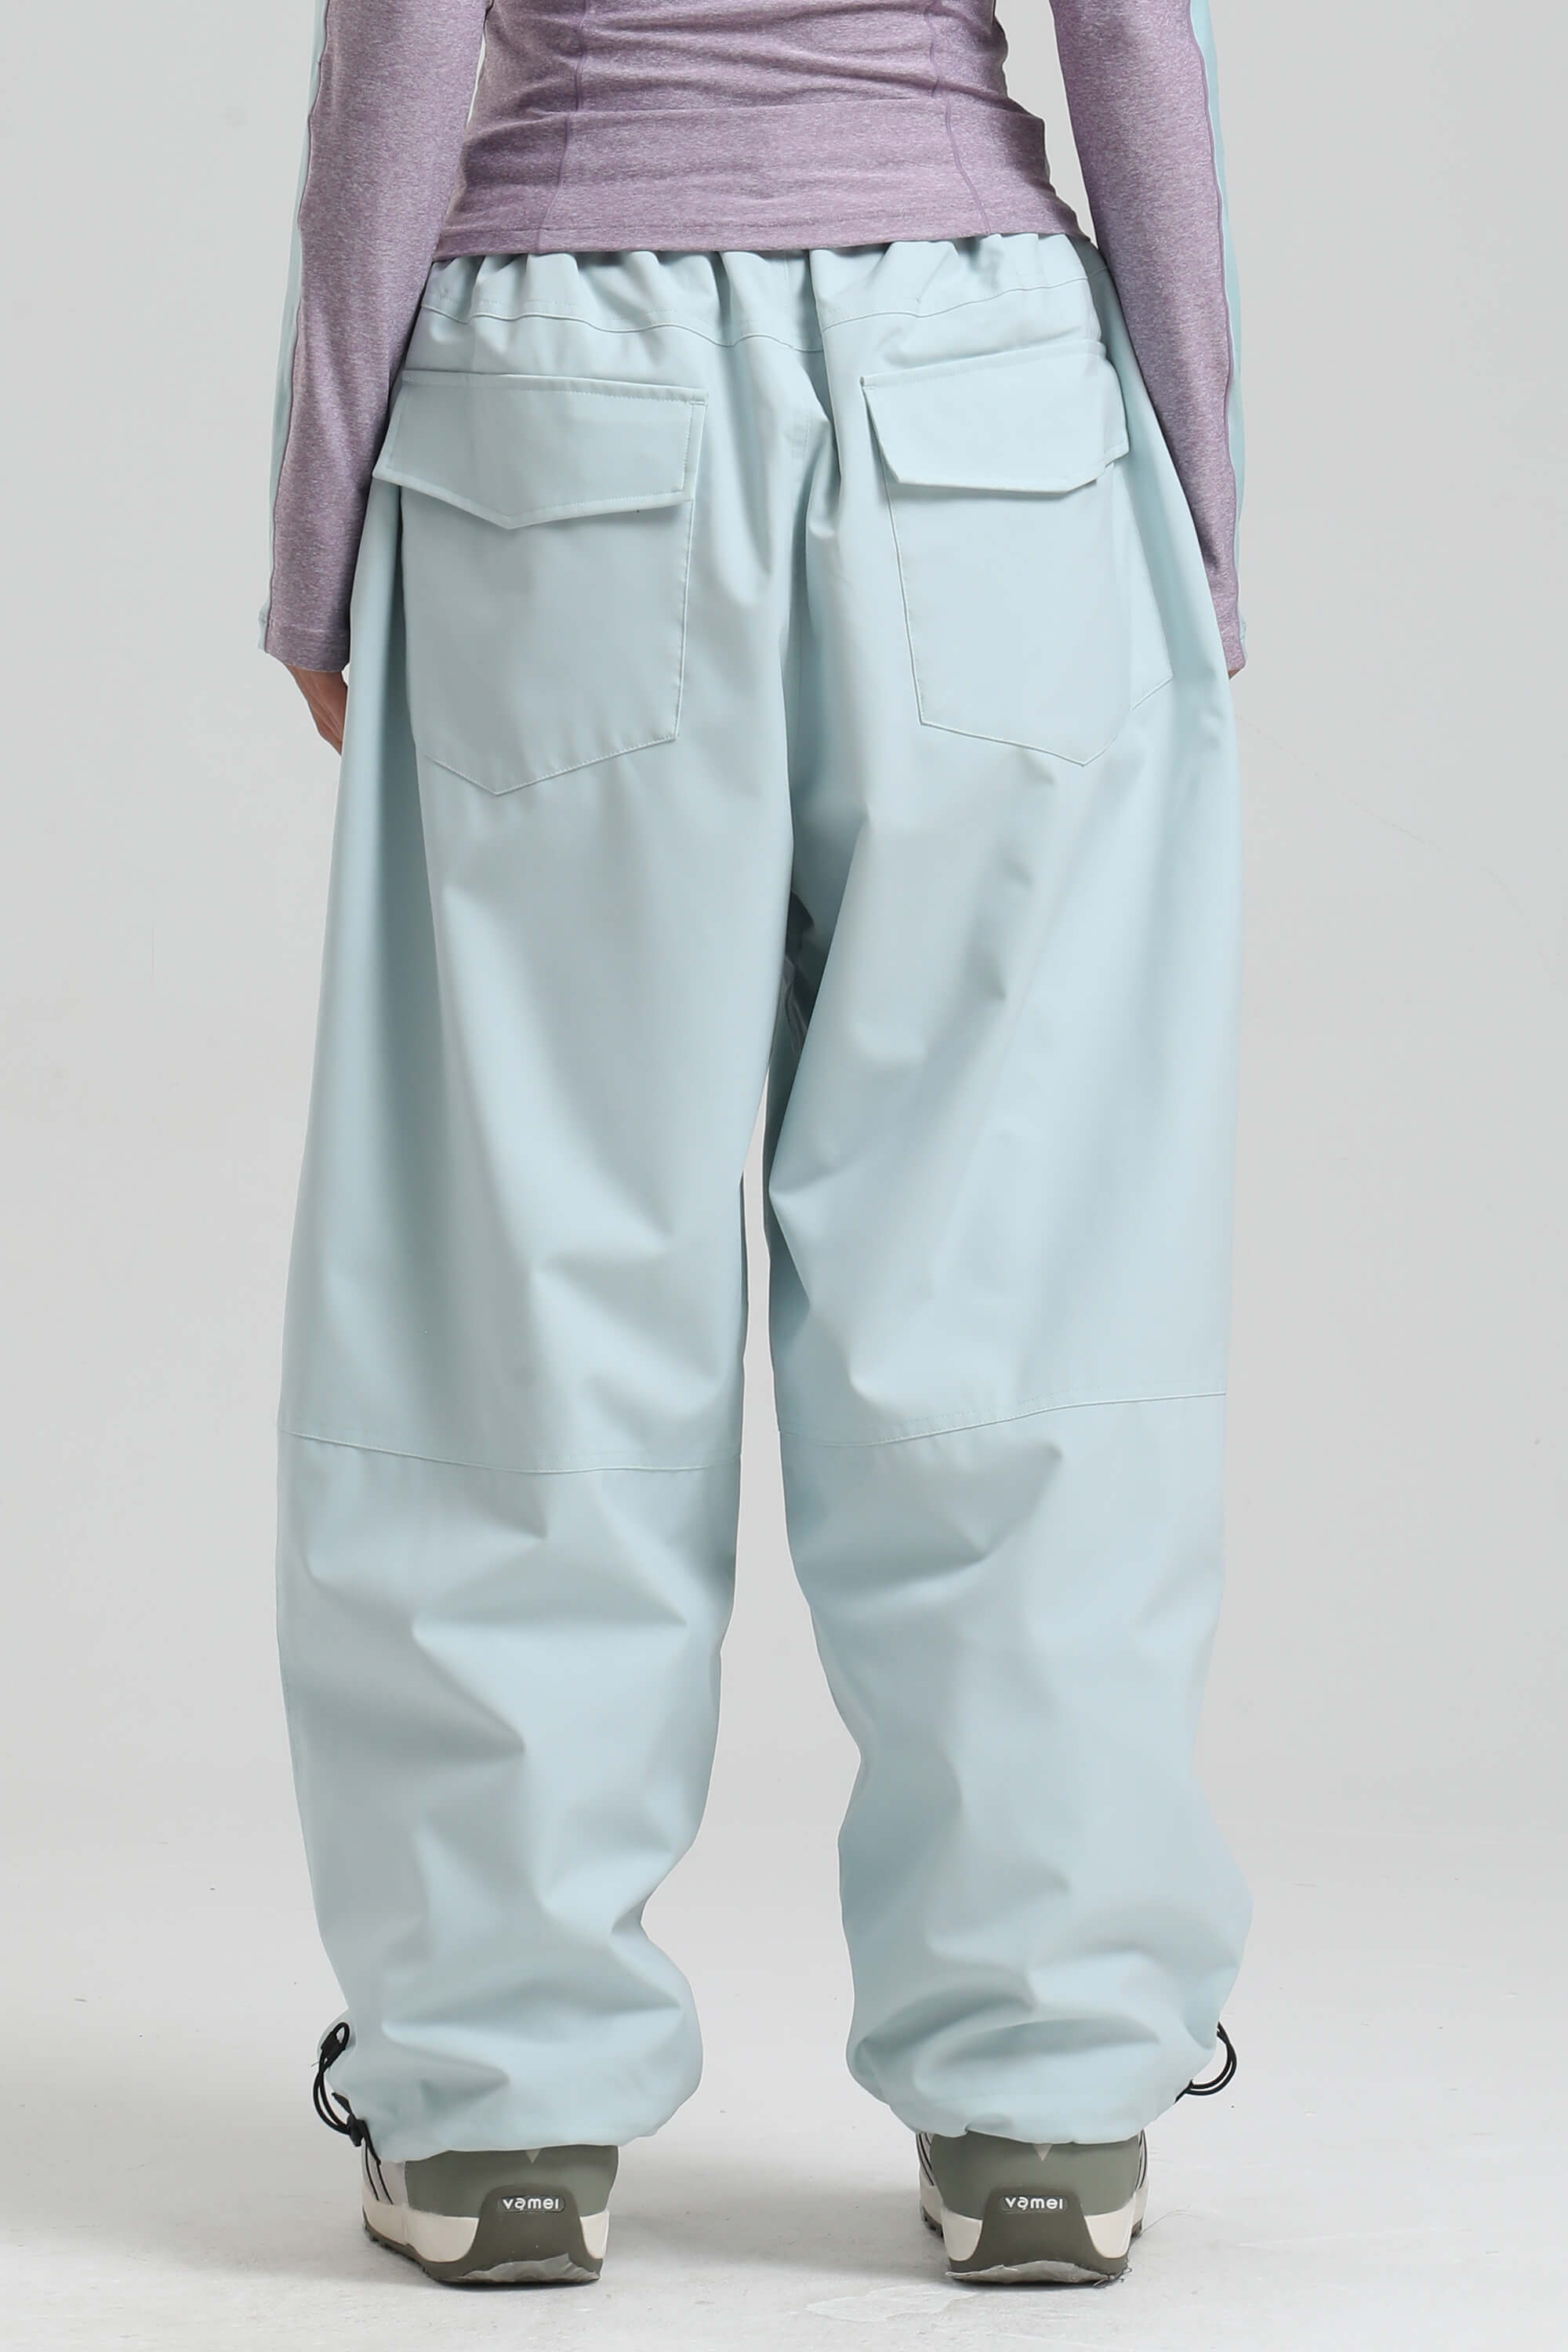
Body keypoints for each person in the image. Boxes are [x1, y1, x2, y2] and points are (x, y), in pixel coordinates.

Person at [264, 0, 1249, 2291]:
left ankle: (500, 2110)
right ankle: (1046, 2100)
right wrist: (1196, 501)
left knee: (523, 1277)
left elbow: (401, 42)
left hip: (558, 411)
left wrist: (317, 540)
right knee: (1012, 1285)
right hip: (992, 411)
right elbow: (1133, 30)